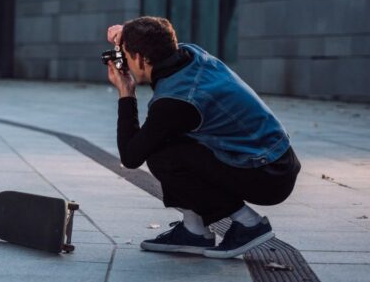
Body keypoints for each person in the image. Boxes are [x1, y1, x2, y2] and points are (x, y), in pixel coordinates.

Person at [104, 16, 301, 258]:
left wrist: (126, 92)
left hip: (268, 176)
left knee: (161, 154)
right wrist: (127, 34)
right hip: (278, 160)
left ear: (141, 58)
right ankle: (193, 231)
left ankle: (249, 224)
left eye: (126, 54)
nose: (124, 60)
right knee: (168, 141)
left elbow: (131, 156)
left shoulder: (175, 101)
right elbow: (154, 38)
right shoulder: (190, 54)